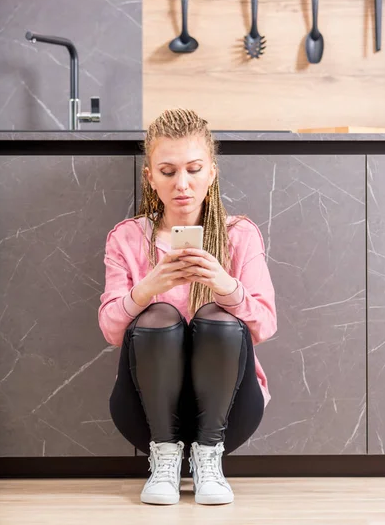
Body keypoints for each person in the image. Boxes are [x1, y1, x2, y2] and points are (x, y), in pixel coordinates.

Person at [98, 108, 277, 506]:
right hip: (146, 411)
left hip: (230, 410)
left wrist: (225, 286)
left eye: (194, 169)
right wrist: (146, 290)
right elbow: (111, 331)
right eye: (167, 171)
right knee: (160, 316)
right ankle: (163, 455)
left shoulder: (239, 235)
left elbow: (264, 326)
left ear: (211, 173)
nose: (182, 184)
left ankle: (209, 458)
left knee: (215, 317)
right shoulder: (127, 238)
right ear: (150, 177)